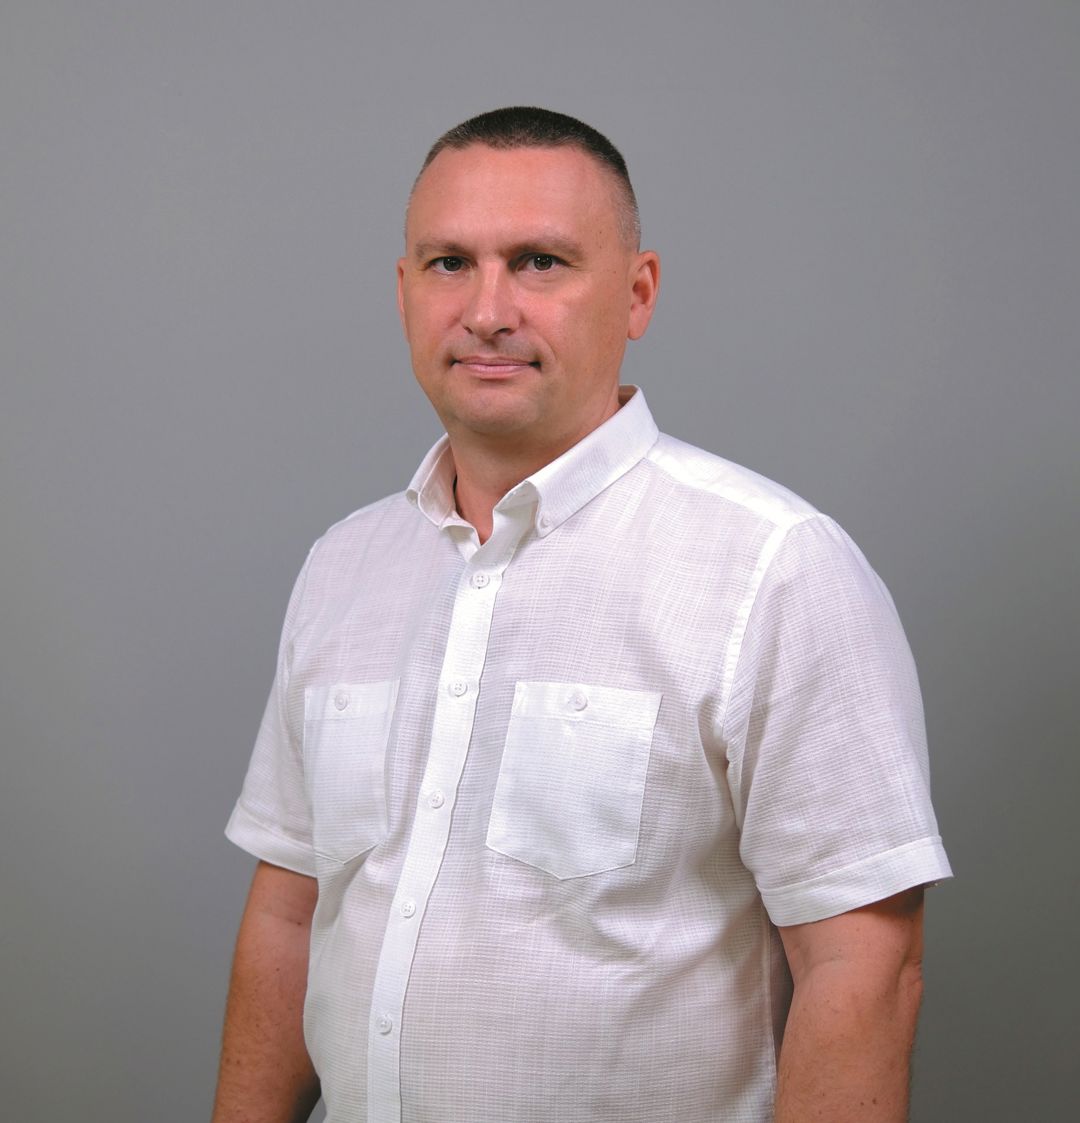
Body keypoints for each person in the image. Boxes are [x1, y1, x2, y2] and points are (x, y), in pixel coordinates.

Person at [212, 107, 952, 1123]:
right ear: (403, 289)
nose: (487, 310)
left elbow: (863, 967)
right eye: (448, 263)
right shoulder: (344, 566)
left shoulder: (774, 569)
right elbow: (292, 914)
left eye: (540, 262)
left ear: (638, 292)